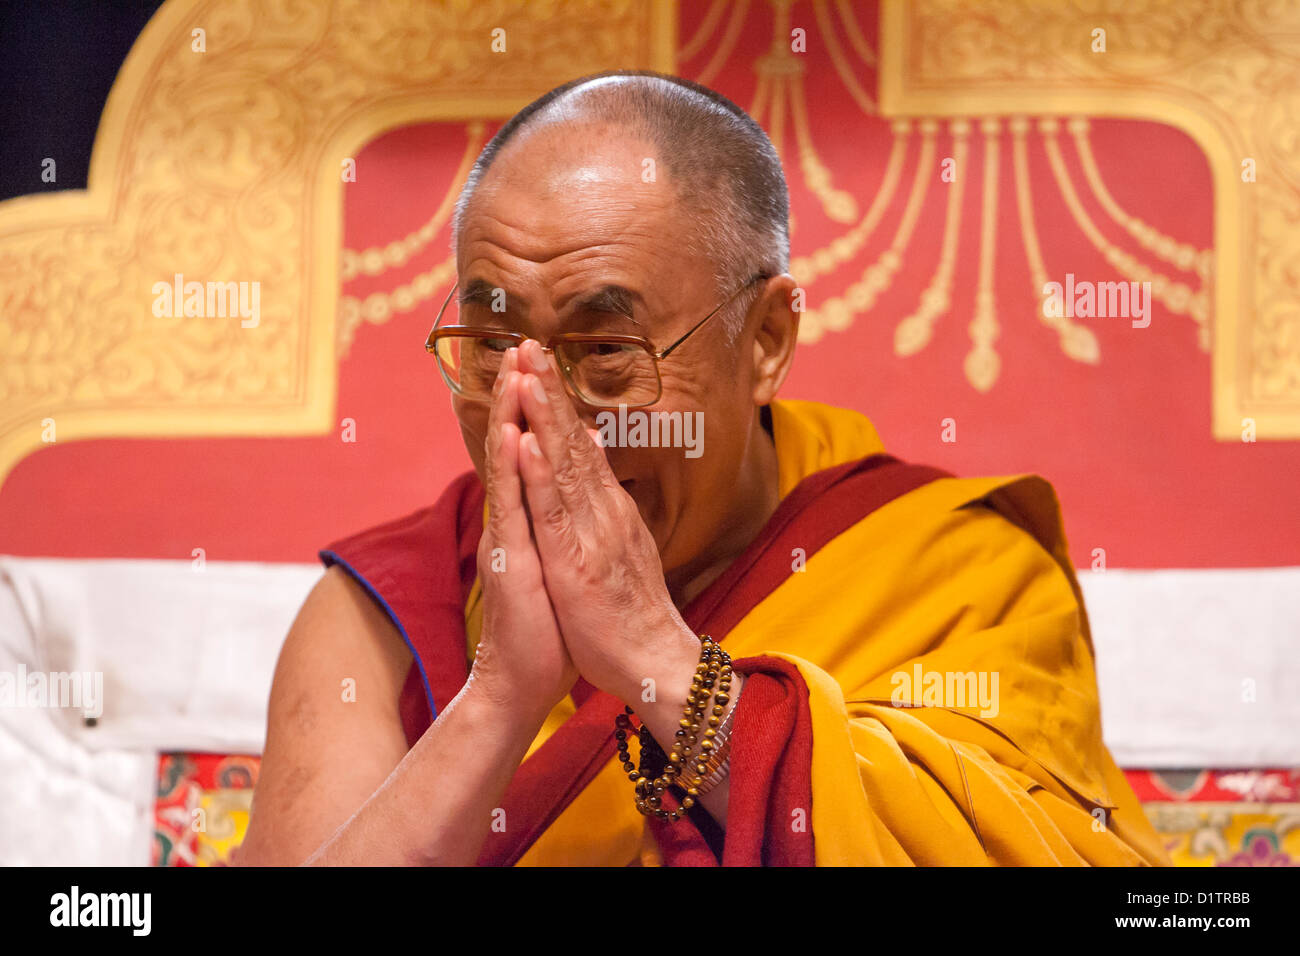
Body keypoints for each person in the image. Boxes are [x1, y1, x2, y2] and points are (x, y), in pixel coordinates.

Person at [236, 71, 1170, 866]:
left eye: (606, 349)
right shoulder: (387, 609)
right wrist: (504, 695)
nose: (540, 414)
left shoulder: (953, 570)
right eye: (490, 343)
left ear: (764, 339)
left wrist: (657, 662)